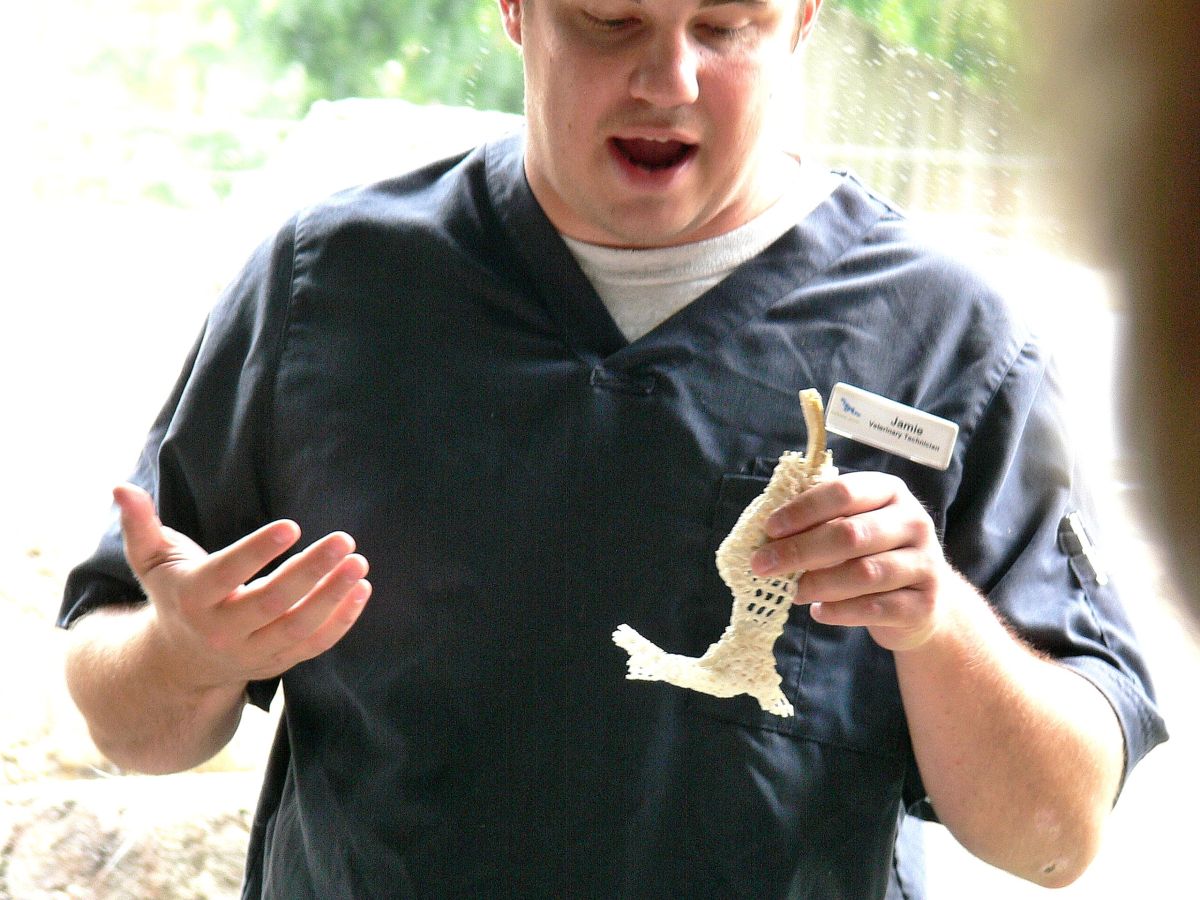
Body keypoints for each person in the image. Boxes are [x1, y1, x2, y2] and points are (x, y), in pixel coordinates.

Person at [59, 1, 1165, 897]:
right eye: (608, 20)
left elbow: (1053, 840)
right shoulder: (326, 288)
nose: (668, 78)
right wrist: (191, 651)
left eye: (724, 26)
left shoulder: (948, 337)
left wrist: (936, 623)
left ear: (804, 21)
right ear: (515, 12)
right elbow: (130, 721)